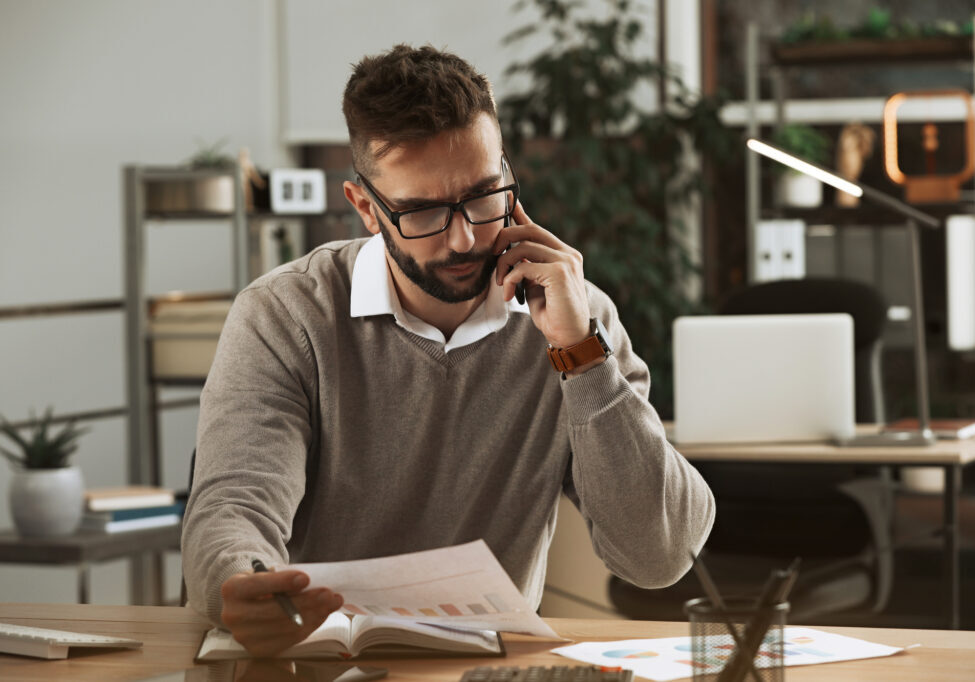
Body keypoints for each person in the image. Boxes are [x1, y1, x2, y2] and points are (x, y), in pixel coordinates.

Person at [182, 44, 714, 657]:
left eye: (484, 197)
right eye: (423, 211)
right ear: (366, 210)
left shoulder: (576, 316)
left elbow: (660, 556)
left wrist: (581, 355)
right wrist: (242, 583)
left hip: (480, 669)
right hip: (312, 663)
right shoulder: (285, 315)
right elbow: (233, 504)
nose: (464, 237)